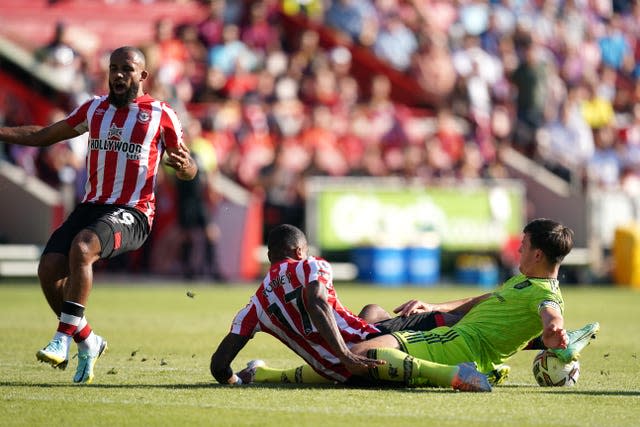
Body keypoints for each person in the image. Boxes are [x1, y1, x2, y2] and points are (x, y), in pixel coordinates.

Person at [0, 46, 198, 384]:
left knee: (82, 248)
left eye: (127, 69)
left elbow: (189, 166)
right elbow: (46, 135)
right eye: (114, 68)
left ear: (142, 76)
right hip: (92, 206)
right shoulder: (94, 109)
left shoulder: (161, 114)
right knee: (48, 268)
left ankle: (62, 339)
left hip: (134, 211)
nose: (119, 75)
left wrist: (185, 168)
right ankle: (88, 340)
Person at [219, 220, 599, 387]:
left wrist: (555, 334)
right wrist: (433, 304)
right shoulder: (523, 280)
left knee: (356, 355)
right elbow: (479, 300)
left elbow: (550, 317)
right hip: (456, 330)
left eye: (524, 243)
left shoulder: (546, 294)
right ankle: (483, 367)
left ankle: (453, 375)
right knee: (371, 318)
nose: (518, 247)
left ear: (538, 254)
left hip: (457, 341)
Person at [210, 224, 492, 392]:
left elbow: (219, 365)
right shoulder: (310, 265)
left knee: (372, 310)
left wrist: (233, 381)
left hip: (339, 374)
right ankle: (496, 342)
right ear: (299, 252)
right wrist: (344, 354)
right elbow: (317, 301)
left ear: (271, 257)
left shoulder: (256, 304)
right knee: (448, 318)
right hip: (363, 350)